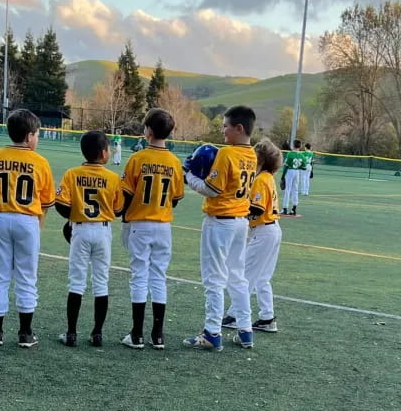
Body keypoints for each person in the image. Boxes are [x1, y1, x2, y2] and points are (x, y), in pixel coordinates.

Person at [183, 105, 257, 351]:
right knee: (237, 276)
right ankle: (245, 330)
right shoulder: (252, 154)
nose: (223, 131)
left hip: (221, 220)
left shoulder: (227, 154)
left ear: (239, 128)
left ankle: (212, 332)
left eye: (226, 126)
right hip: (241, 222)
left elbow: (210, 189)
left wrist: (188, 176)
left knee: (214, 278)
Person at [0, 109, 55, 349]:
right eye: (37, 134)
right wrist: (38, 225)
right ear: (30, 135)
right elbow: (46, 203)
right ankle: (25, 332)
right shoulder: (40, 161)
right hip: (27, 219)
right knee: (26, 276)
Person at [119, 109, 185, 350]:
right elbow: (176, 198)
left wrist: (124, 217)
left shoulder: (138, 158)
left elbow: (126, 192)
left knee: (139, 275)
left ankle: (137, 333)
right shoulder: (174, 162)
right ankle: (158, 334)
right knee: (158, 277)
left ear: (147, 130)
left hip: (140, 222)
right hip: (163, 224)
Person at [54, 130, 124, 348]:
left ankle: (72, 333)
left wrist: (73, 217)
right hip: (103, 231)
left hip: (81, 229)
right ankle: (97, 334)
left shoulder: (72, 173)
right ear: (104, 153)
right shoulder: (112, 177)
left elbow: (61, 204)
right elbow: (119, 209)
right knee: (101, 282)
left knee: (77, 281)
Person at [225, 138, 282, 334]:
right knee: (262, 278)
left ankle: (235, 315)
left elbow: (256, 209)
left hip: (264, 231)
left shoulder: (260, 179)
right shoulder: (268, 177)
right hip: (272, 229)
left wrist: (238, 213)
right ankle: (267, 317)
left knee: (246, 275)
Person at [280, 140, 306, 215]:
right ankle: (294, 209)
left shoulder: (290, 154)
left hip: (290, 171)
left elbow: (286, 166)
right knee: (295, 190)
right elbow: (304, 167)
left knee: (287, 189)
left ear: (293, 145)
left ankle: (285, 208)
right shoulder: (302, 156)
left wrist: (282, 177)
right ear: (300, 146)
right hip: (297, 172)